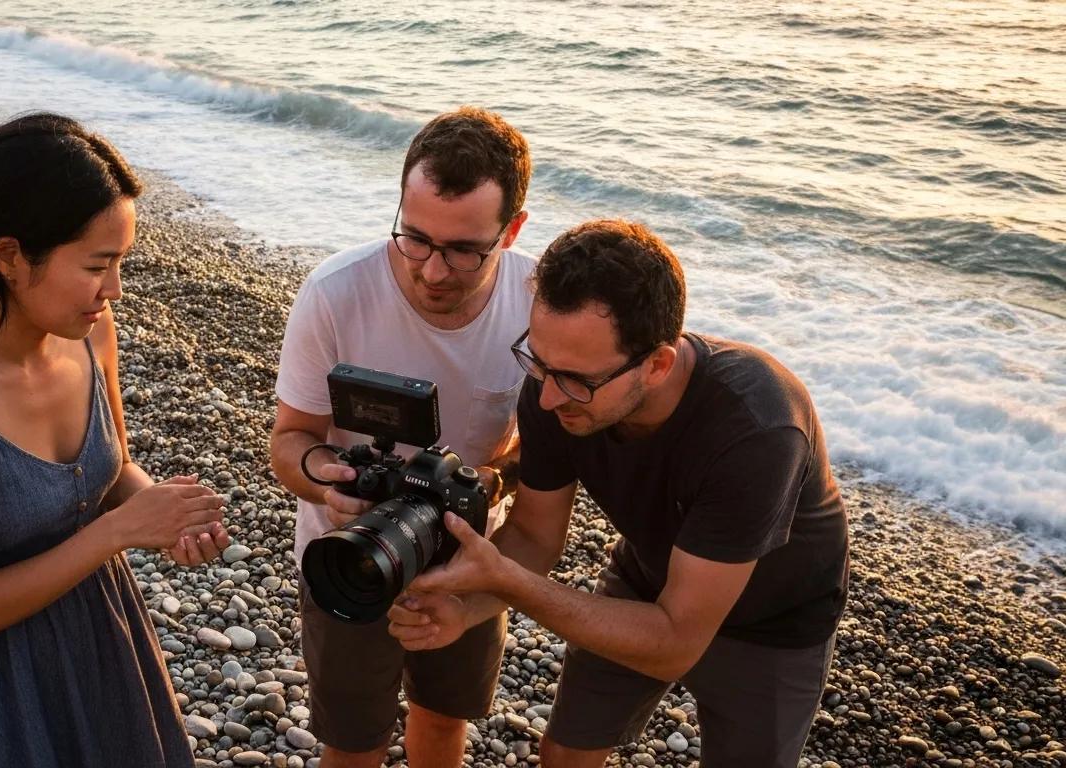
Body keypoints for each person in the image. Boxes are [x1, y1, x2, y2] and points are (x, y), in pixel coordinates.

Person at [389, 219, 850, 766]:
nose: (547, 401)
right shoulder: (556, 386)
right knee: (564, 754)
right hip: (646, 581)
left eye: (576, 380)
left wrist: (503, 579)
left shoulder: (757, 428)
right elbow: (535, 535)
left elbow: (675, 640)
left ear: (656, 364)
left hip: (775, 622)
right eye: (539, 361)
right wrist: (465, 611)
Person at [0, 113, 230, 767]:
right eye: (98, 265)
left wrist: (166, 514)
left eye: (119, 262)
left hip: (102, 636)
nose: (115, 290)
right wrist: (117, 533)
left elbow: (113, 470)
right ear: (10, 256)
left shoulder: (89, 334)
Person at [270, 106, 535, 767]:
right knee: (353, 745)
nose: (433, 270)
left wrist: (483, 484)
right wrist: (325, 480)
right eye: (415, 238)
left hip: (468, 560)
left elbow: (549, 453)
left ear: (514, 229)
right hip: (350, 553)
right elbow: (289, 440)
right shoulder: (336, 292)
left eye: (465, 250)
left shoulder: (538, 301)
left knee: (444, 725)